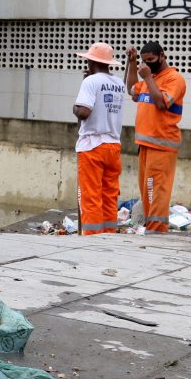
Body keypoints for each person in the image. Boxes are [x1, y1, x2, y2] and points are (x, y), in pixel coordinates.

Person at [125, 42, 186, 233]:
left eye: (150, 60)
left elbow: (161, 103)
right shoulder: (149, 78)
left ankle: (157, 230)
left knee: (155, 192)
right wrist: (133, 63)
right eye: (144, 61)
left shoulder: (174, 78)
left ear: (162, 55)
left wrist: (148, 78)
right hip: (145, 144)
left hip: (162, 145)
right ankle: (153, 229)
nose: (147, 64)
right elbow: (132, 90)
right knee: (147, 192)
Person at [72, 42, 126, 235]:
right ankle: (109, 236)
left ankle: (92, 239)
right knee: (109, 195)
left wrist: (75, 108)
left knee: (91, 196)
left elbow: (84, 112)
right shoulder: (119, 83)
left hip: (92, 146)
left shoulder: (90, 82)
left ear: (91, 61)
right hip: (113, 146)